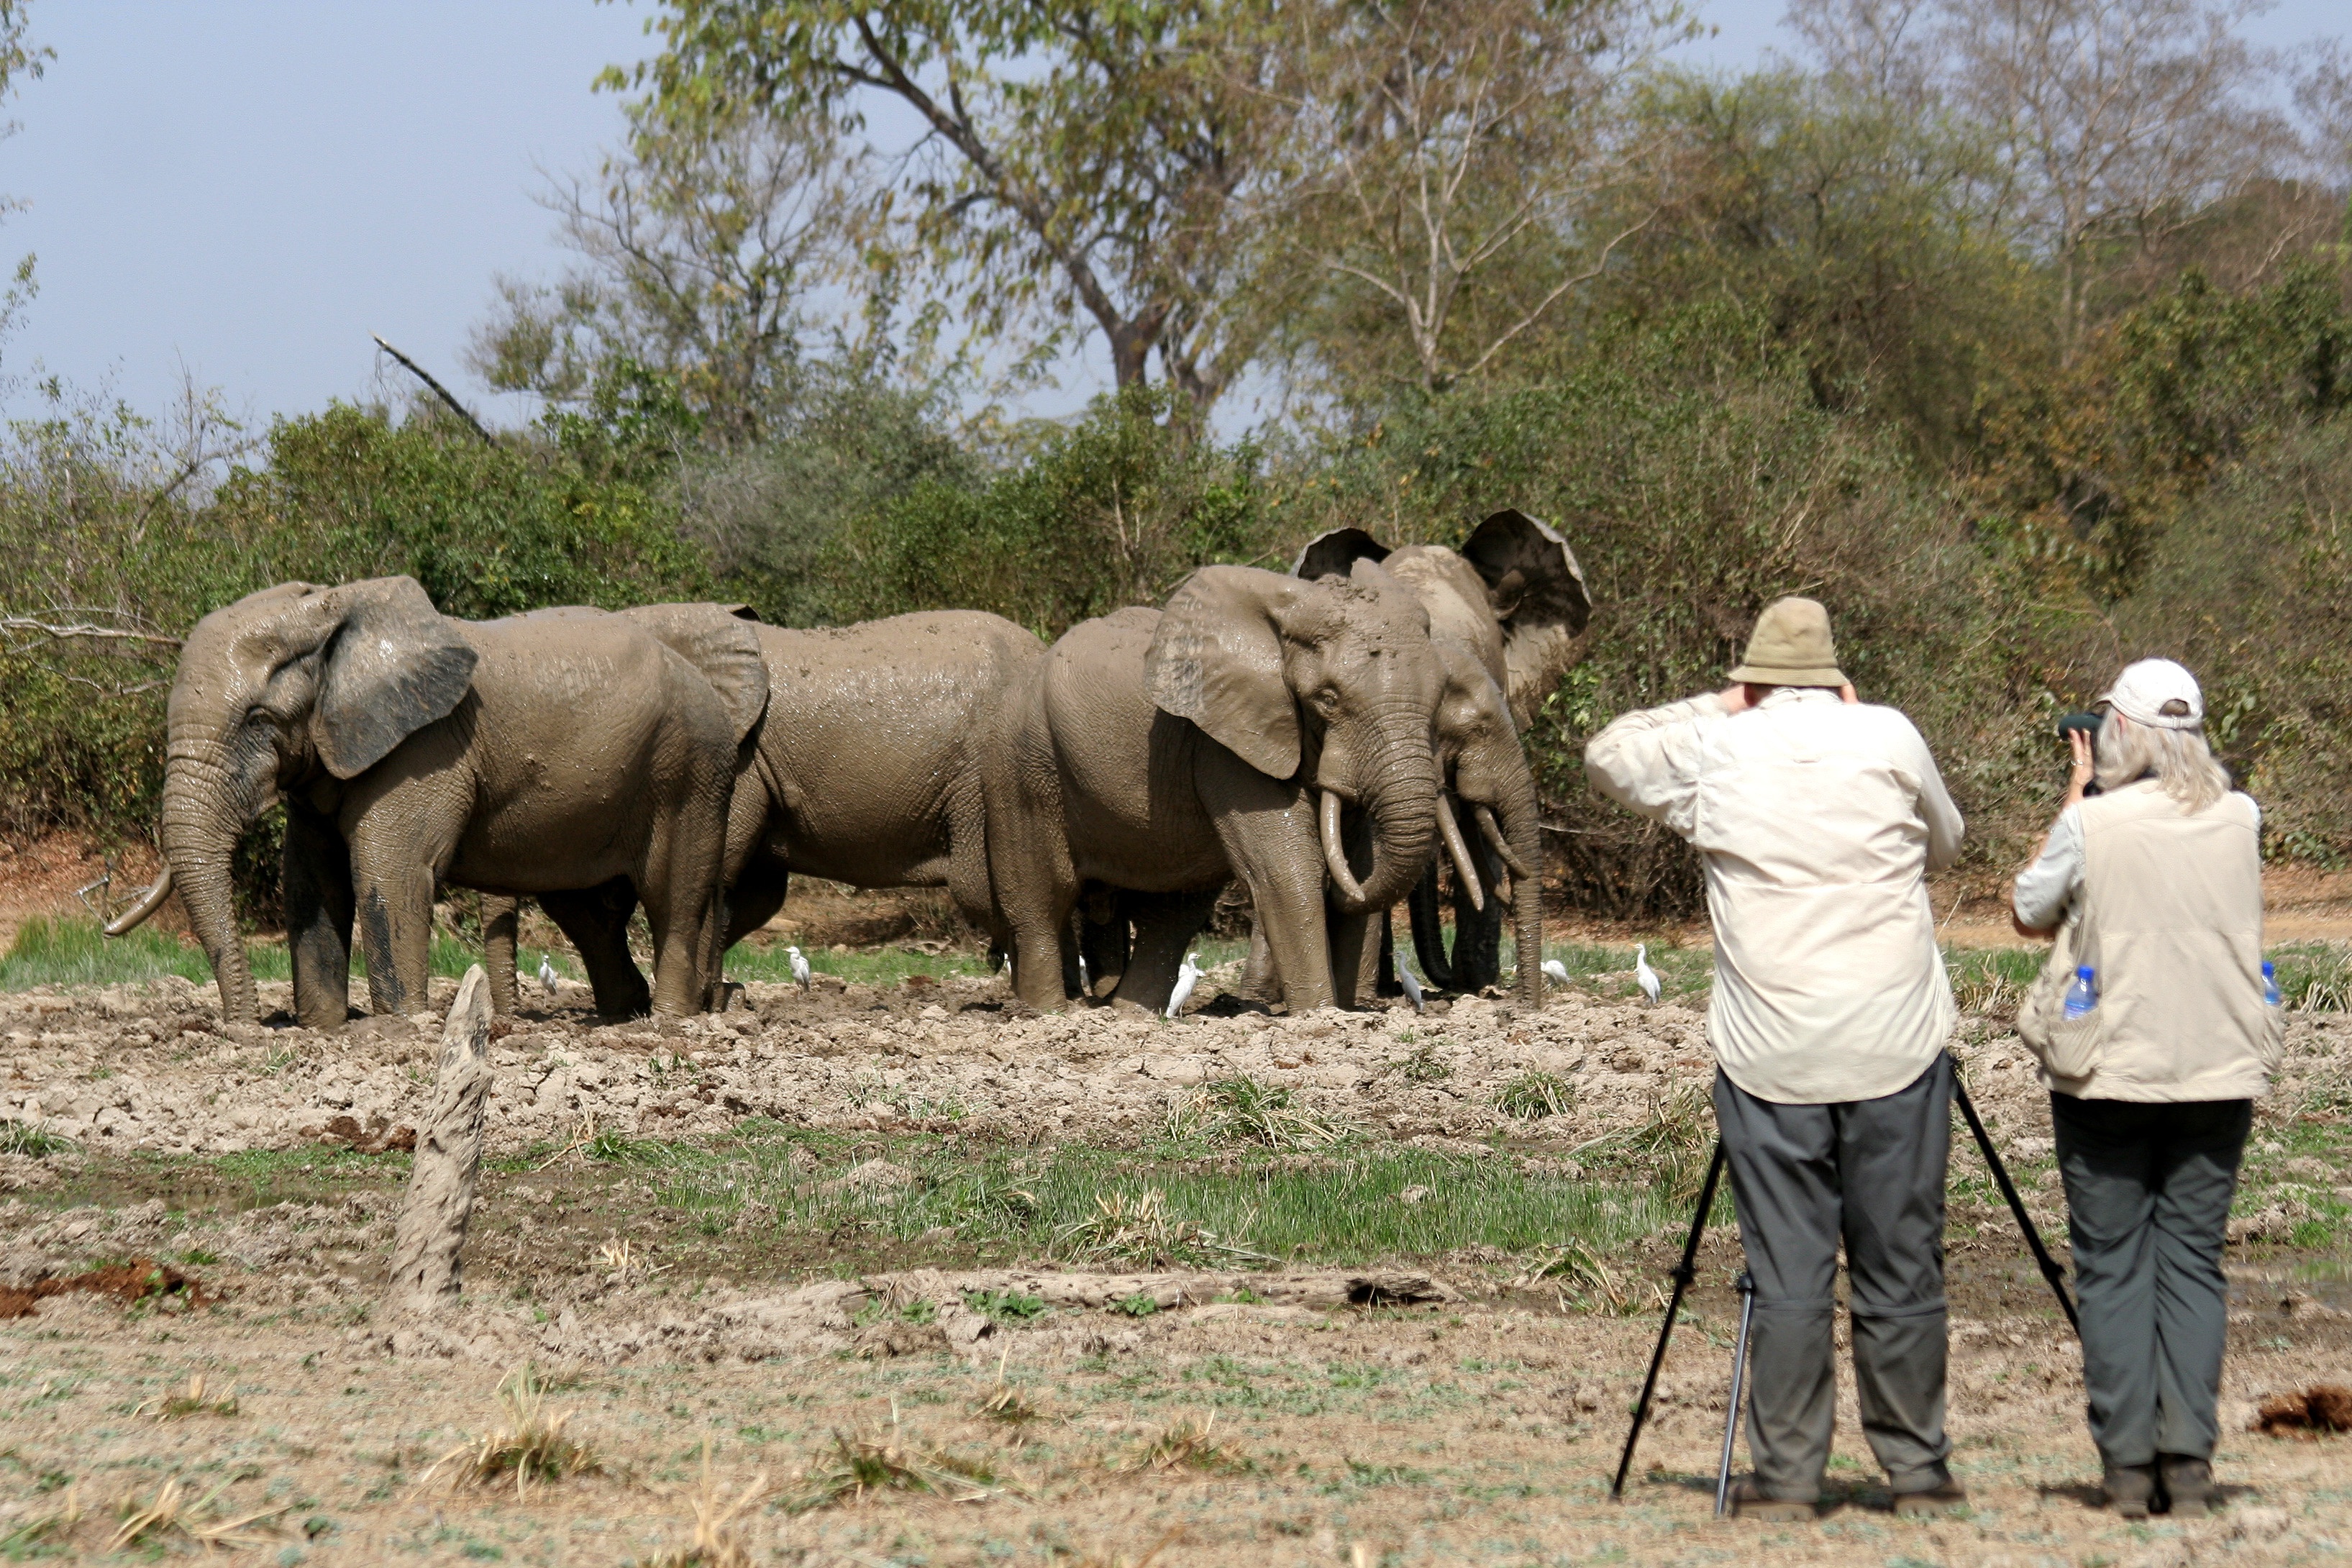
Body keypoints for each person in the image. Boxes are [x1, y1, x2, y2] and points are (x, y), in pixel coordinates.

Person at [1586, 596, 1966, 1521]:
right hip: (1897, 1042)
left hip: (1770, 1057)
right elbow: (1948, 843)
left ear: (1751, 678)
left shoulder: (1719, 746)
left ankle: (1791, 1478)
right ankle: (1918, 1471)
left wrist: (1721, 706)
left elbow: (1608, 751)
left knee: (1790, 1271)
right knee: (1902, 1260)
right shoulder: (1887, 733)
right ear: (1837, 675)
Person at [2011, 658, 2268, 1520]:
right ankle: (2187, 1464)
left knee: (2114, 1265)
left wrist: (2078, 794)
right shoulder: (2243, 817)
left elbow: (2028, 906)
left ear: (2119, 732)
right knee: (2193, 1261)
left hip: (2107, 1074)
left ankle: (2126, 1469)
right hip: (2216, 1069)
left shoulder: (2095, 821)